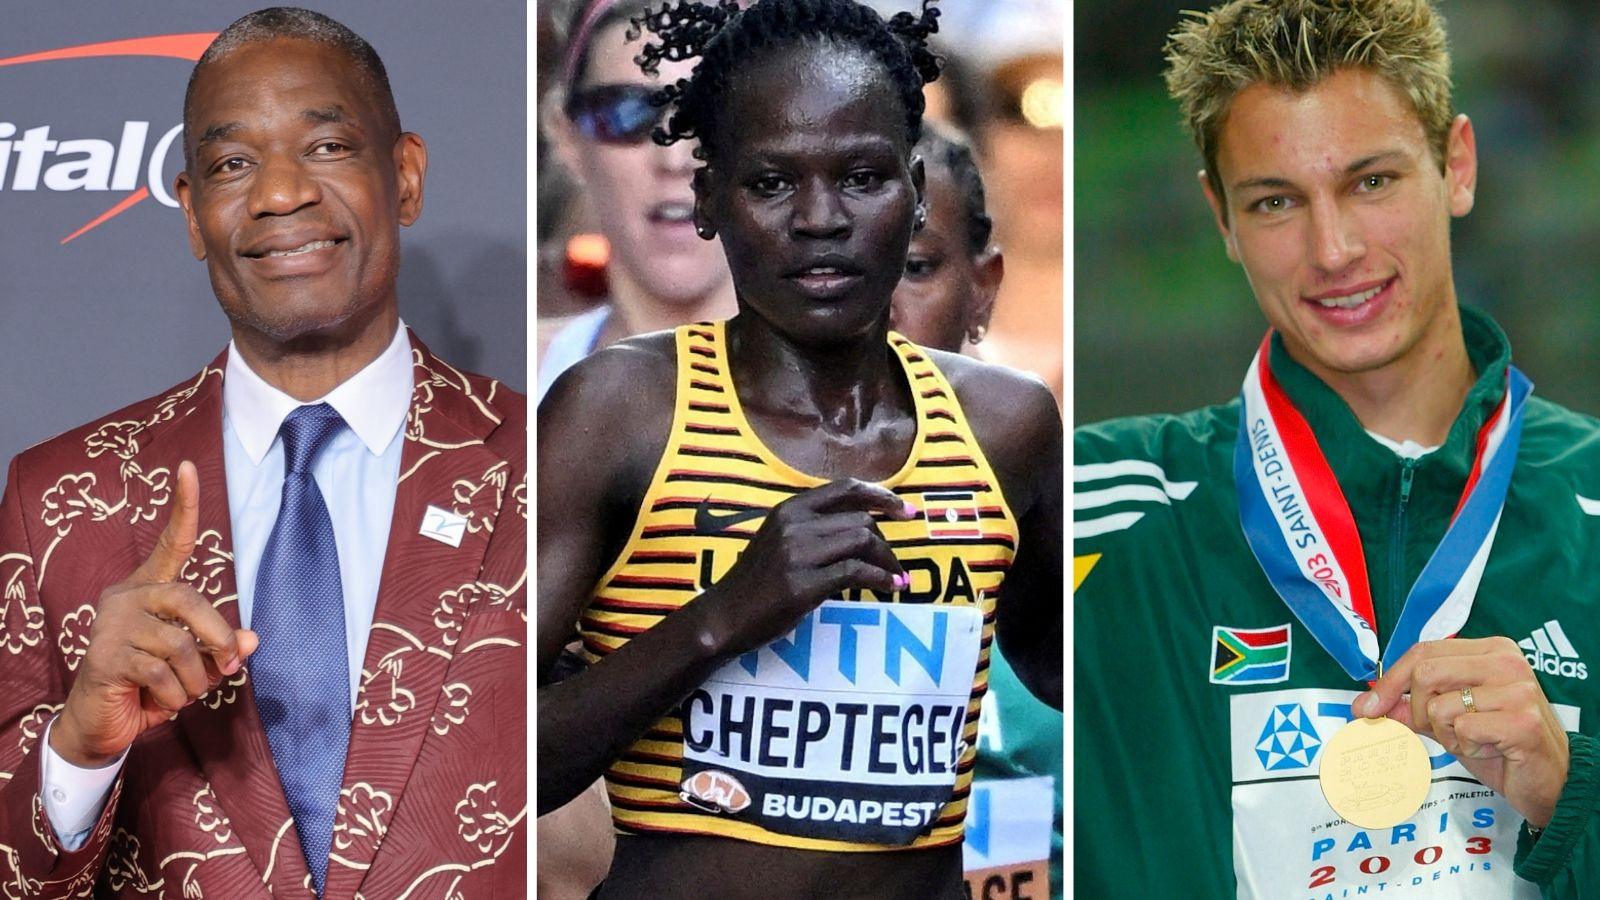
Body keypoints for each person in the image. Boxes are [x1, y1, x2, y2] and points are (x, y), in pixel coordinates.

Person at [536, 0, 1062, 896]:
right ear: (708, 198)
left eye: (861, 177)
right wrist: (725, 616)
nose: (820, 218)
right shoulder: (618, 409)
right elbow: (486, 762)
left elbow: (1080, 682)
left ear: (914, 186)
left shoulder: (1009, 426)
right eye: (773, 183)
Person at [1075, 0, 1600, 896]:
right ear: (1222, 219)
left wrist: (1574, 792)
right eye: (1276, 201)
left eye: (1372, 182)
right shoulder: (1100, 513)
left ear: (1457, 165)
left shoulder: (1589, 501)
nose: (1335, 249)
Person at [0, 9, 525, 898]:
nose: (280, 194)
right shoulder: (60, 494)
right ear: (193, 214)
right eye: (233, 164)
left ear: (405, 176)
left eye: (324, 147)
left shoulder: (540, 459)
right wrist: (77, 754)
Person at [890, 122, 1063, 899]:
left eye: (914, 266)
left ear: (983, 286)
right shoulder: (680, 503)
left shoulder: (1082, 501)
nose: (872, 298)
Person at [536, 0, 736, 403]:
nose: (676, 158)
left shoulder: (868, 385)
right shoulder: (524, 391)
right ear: (567, 138)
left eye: (713, 112)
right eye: (626, 112)